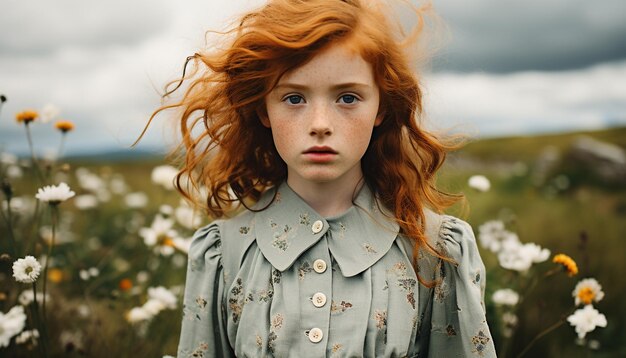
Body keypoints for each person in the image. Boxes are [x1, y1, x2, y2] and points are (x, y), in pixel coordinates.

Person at [150, 0, 496, 356]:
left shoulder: (435, 249)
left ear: (381, 107)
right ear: (262, 109)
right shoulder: (224, 253)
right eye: (294, 97)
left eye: (347, 97)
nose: (319, 124)